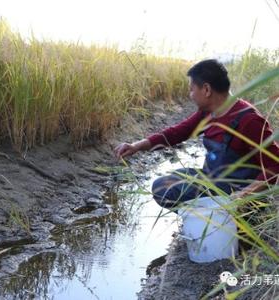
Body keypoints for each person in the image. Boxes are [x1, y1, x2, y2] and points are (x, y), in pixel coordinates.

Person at [114, 59, 279, 211]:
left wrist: (242, 197)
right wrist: (136, 146)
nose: (190, 95)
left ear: (206, 89)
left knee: (162, 188)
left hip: (236, 196)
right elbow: (177, 133)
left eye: (191, 90)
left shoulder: (249, 120)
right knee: (171, 179)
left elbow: (274, 165)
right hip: (213, 180)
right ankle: (202, 220)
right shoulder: (208, 113)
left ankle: (219, 222)